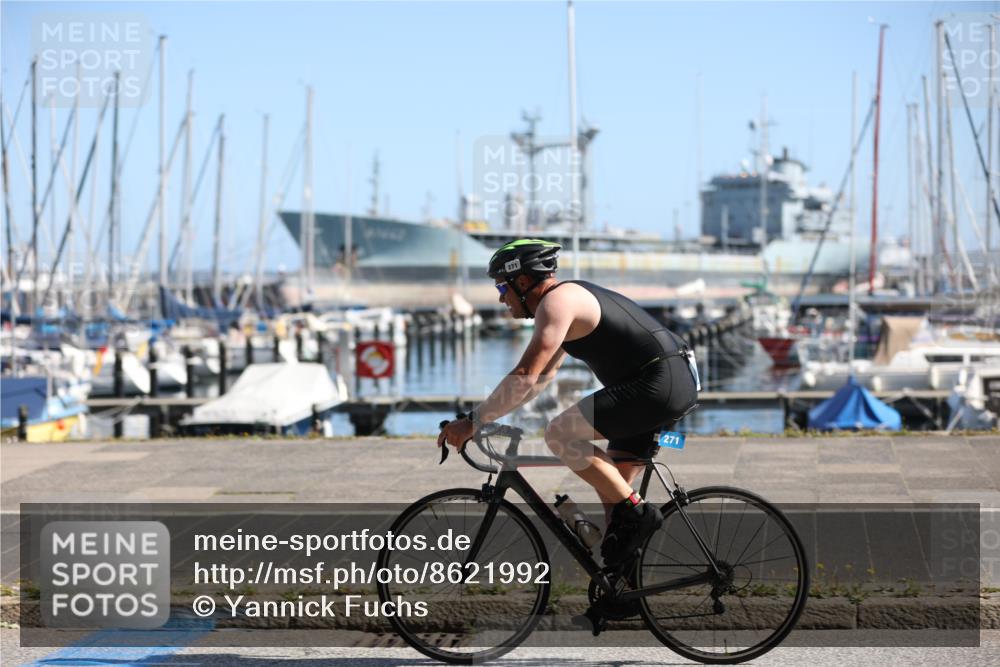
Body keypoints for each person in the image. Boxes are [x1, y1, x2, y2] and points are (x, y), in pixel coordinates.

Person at [438, 239, 699, 566]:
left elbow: (525, 375)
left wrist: (472, 422)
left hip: (658, 385)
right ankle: (621, 594)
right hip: (668, 382)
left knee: (560, 434)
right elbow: (541, 378)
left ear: (522, 281)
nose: (500, 297)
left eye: (502, 287)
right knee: (615, 509)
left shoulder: (557, 302)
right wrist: (487, 417)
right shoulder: (566, 301)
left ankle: (640, 513)